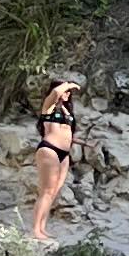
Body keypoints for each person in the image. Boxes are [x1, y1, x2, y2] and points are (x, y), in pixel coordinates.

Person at [31, 79, 79, 243]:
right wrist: (69, 84)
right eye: (65, 91)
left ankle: (43, 227)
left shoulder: (67, 110)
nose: (67, 94)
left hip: (64, 155)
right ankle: (36, 229)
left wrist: (86, 143)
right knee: (46, 191)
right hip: (49, 150)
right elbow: (56, 93)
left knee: (53, 193)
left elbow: (67, 133)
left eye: (69, 93)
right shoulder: (49, 106)